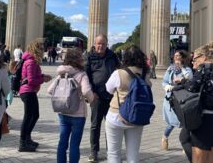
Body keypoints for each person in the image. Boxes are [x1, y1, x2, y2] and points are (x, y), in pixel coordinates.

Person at [182, 42, 213, 163]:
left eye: (194, 59)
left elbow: (191, 87)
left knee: (199, 160)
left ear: (204, 57)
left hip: (206, 121)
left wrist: (182, 81)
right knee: (211, 160)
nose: (193, 63)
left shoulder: (204, 69)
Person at [105, 45, 151, 163]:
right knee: (133, 154)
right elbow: (149, 86)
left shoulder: (119, 73)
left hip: (116, 114)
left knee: (114, 153)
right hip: (137, 115)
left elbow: (108, 89)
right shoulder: (145, 73)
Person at [47, 48, 95, 163]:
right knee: (74, 144)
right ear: (77, 60)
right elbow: (86, 91)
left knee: (62, 142)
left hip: (63, 111)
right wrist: (91, 100)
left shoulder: (62, 74)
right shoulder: (82, 74)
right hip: (78, 114)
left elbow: (49, 90)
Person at [85, 34, 120, 162]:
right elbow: (86, 76)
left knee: (111, 125)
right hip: (96, 96)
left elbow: (119, 71)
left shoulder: (112, 55)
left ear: (107, 44)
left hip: (111, 96)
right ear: (94, 44)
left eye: (103, 44)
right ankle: (94, 152)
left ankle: (111, 151)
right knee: (95, 125)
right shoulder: (89, 57)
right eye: (98, 43)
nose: (101, 46)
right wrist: (91, 92)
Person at [19, 38, 52, 152]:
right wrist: (43, 79)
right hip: (28, 91)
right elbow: (31, 80)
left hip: (29, 91)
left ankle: (27, 139)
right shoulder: (31, 62)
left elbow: (32, 76)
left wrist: (42, 75)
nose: (44, 51)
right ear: (38, 49)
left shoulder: (31, 61)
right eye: (42, 48)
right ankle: (23, 142)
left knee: (34, 115)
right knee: (29, 116)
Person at [161, 50, 193, 150]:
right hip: (171, 98)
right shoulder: (170, 69)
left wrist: (182, 68)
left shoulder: (187, 69)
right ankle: (165, 137)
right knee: (172, 122)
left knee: (185, 122)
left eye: (178, 56)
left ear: (183, 58)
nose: (176, 57)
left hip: (183, 98)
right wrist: (167, 87)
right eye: (175, 56)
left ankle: (185, 144)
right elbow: (164, 82)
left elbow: (190, 78)